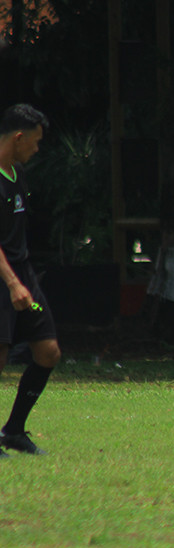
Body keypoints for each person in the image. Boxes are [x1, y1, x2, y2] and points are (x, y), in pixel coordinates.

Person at [0, 104, 59, 458]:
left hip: (24, 273)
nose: (37, 150)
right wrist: (11, 283)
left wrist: (23, 280)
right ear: (18, 137)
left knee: (48, 351)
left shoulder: (17, 173)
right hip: (5, 277)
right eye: (34, 143)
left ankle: (13, 430)